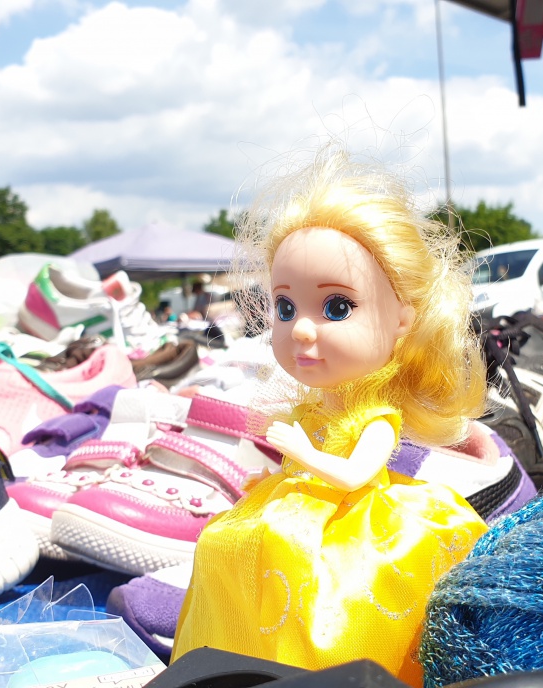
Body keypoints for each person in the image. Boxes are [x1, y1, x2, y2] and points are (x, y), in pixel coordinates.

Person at [171, 147, 489, 686]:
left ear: (404, 322)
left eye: (337, 307)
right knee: (226, 543)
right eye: (285, 307)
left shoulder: (377, 417)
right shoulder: (316, 407)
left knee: (334, 574)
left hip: (357, 517)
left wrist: (300, 453)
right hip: (295, 500)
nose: (300, 329)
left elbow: (355, 475)